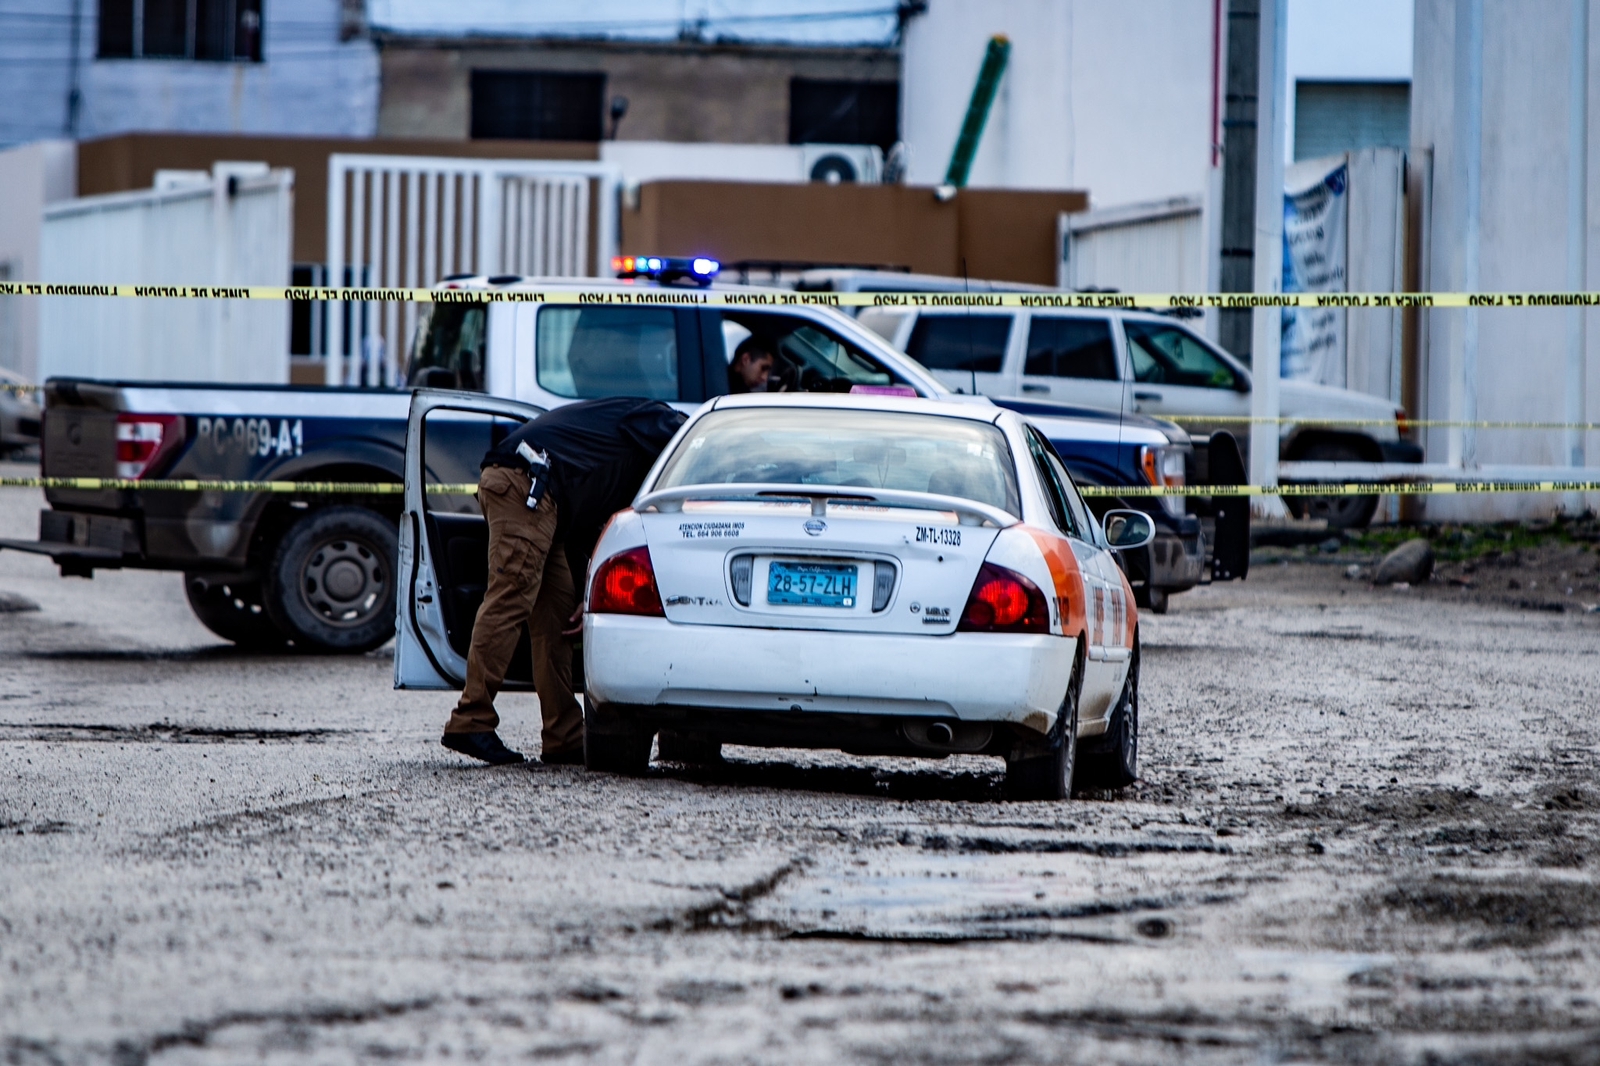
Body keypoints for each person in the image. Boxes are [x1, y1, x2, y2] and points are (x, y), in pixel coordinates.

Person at [441, 397, 687, 766]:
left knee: (555, 618)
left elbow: (596, 533)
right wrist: (693, 450)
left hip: (547, 502)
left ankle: (564, 735)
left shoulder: (617, 464)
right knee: (510, 599)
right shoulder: (661, 423)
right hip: (528, 486)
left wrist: (591, 593)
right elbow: (676, 438)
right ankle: (471, 718)